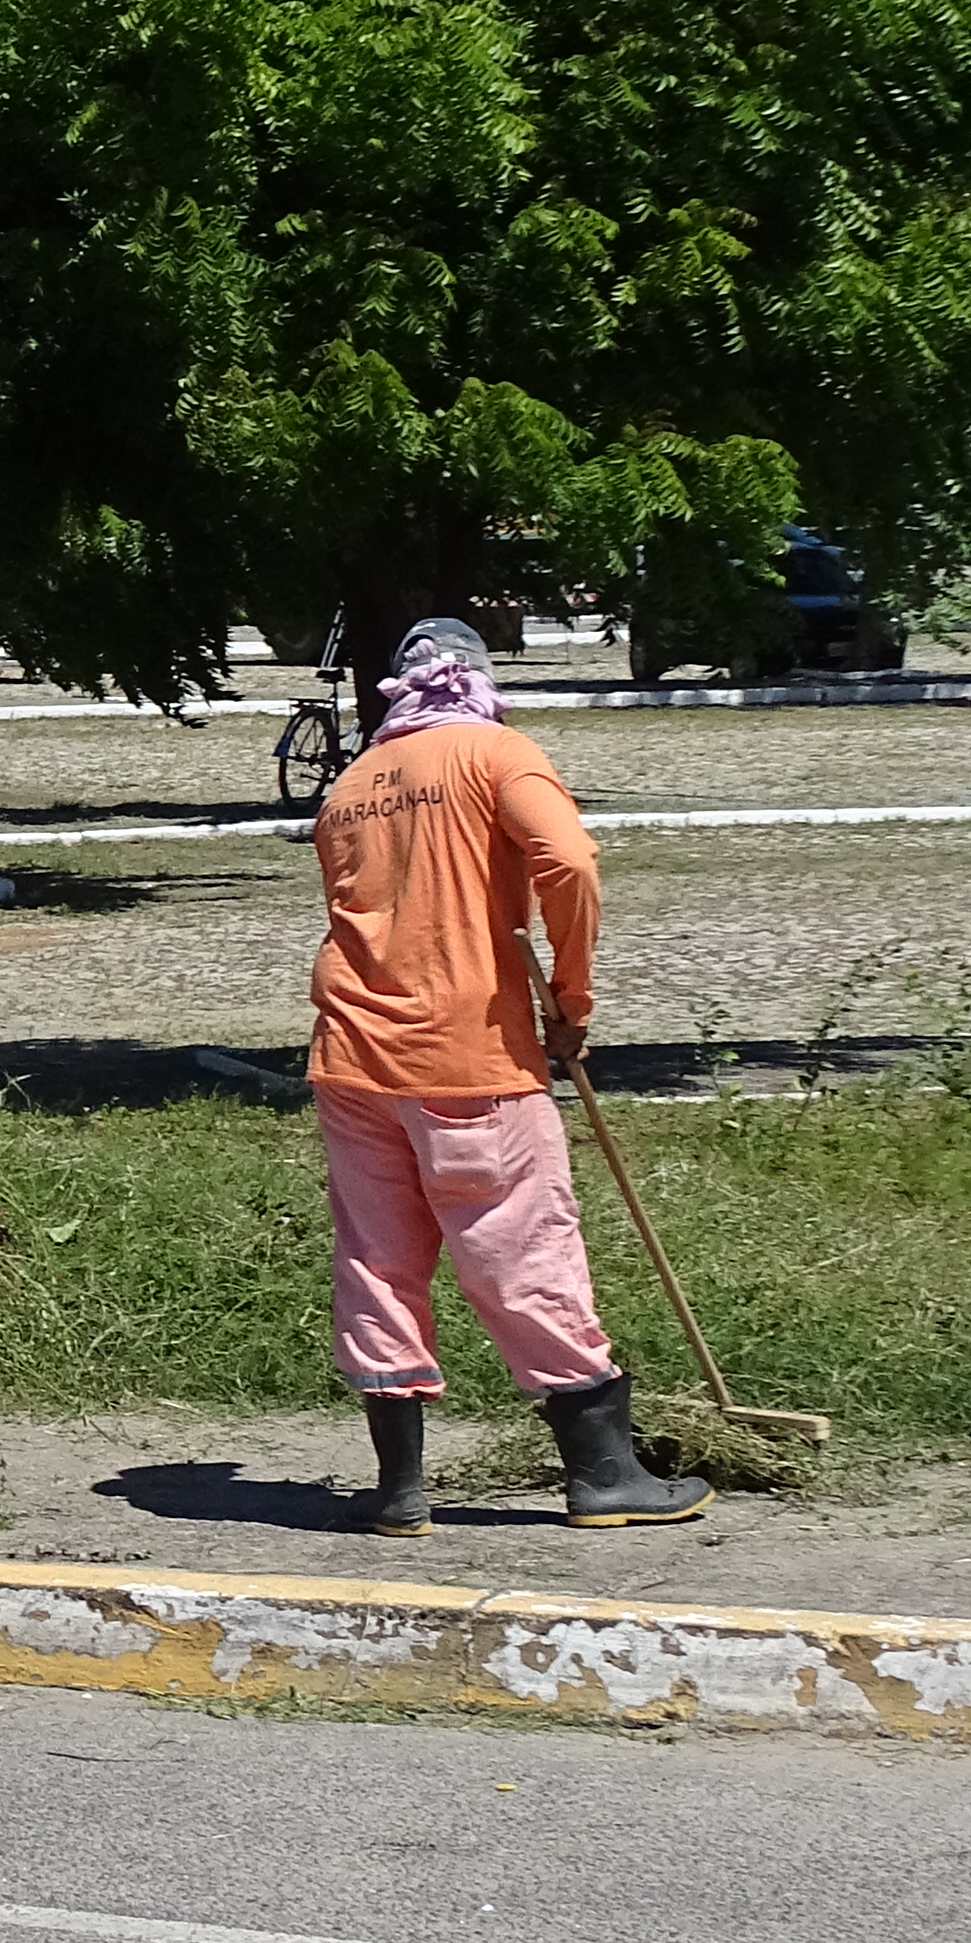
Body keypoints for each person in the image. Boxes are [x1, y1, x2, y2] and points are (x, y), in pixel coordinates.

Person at [308, 615, 707, 1534]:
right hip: (469, 1056)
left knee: (378, 1263)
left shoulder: (351, 786)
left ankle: (400, 1491)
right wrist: (572, 1004)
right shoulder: (498, 752)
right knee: (523, 1251)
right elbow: (567, 859)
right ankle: (604, 1473)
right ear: (481, 679)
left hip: (353, 1057)